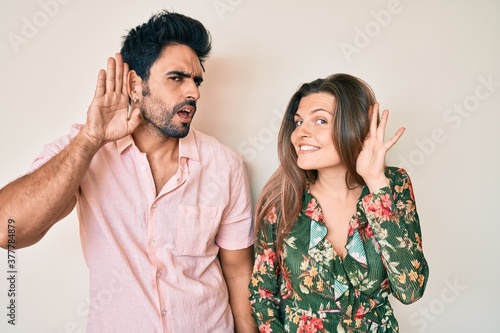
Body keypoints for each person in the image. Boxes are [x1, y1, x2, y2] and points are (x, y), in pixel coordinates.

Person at [0, 11, 257, 333]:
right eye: (177, 78)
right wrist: (90, 140)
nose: (194, 92)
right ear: (135, 84)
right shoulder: (83, 150)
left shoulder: (224, 164)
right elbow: (8, 231)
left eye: (197, 80)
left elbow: (237, 272)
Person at [248, 74, 429, 332]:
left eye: (320, 120)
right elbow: (262, 295)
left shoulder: (393, 185)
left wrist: (376, 181)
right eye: (298, 122)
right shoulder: (282, 199)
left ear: (355, 127)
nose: (301, 133)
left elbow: (410, 290)